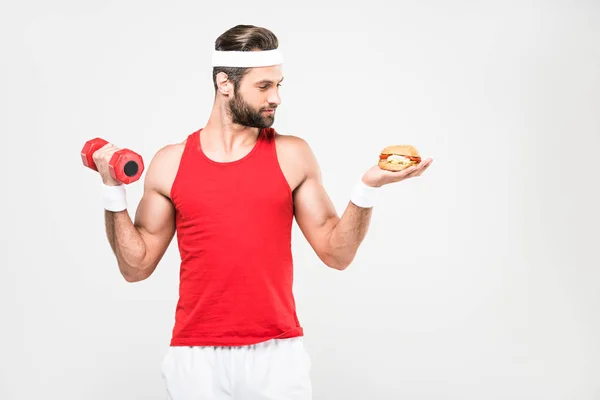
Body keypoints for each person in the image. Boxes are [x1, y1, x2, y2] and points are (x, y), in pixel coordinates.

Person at [91, 24, 432, 400]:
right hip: (195, 355)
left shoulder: (292, 156)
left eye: (279, 85)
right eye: (264, 86)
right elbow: (134, 267)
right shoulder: (170, 164)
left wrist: (367, 187)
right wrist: (113, 191)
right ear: (225, 84)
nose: (276, 98)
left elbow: (337, 253)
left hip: (277, 354)